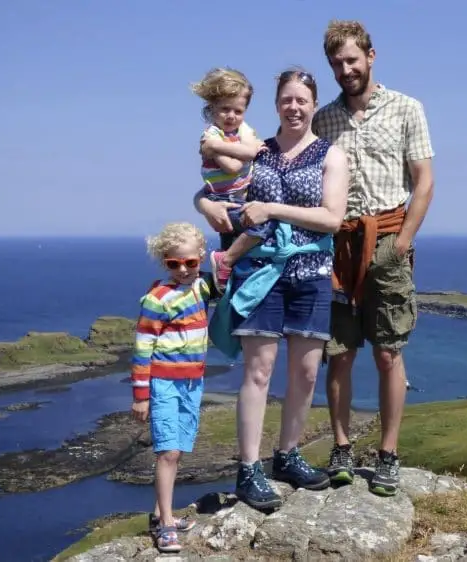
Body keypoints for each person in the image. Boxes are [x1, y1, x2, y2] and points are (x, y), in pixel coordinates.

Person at [195, 69, 349, 511]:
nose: (294, 107)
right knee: (258, 372)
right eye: (287, 100)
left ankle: (288, 455)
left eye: (302, 100)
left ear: (314, 105)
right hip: (260, 272)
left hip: (311, 271)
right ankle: (248, 468)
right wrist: (203, 203)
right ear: (277, 104)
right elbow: (211, 187)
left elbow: (332, 218)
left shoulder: (330, 156)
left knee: (304, 372)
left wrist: (271, 209)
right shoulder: (256, 150)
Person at [312, 20, 435, 497]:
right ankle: (341, 448)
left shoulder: (407, 108)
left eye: (352, 60)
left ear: (371, 56)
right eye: (337, 63)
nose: (345, 70)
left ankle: (388, 453)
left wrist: (402, 242)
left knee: (388, 352)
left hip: (387, 235)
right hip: (337, 247)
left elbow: (423, 180)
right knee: (339, 354)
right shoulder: (323, 120)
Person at [130, 222, 219, 552]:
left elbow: (227, 272)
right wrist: (141, 397)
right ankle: (165, 523)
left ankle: (160, 515)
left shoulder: (203, 287)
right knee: (167, 452)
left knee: (177, 450)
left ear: (200, 258)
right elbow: (142, 349)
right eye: (173, 264)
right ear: (164, 262)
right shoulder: (157, 299)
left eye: (190, 263)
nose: (182, 270)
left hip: (192, 383)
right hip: (165, 384)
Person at [191, 67, 271, 291]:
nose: (231, 116)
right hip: (223, 199)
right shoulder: (211, 136)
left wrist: (219, 149)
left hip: (238, 197)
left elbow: (245, 152)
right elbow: (234, 164)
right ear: (212, 107)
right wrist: (237, 149)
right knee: (262, 226)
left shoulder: (239, 131)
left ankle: (226, 271)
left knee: (240, 244)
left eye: (238, 111)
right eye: (225, 109)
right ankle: (223, 262)